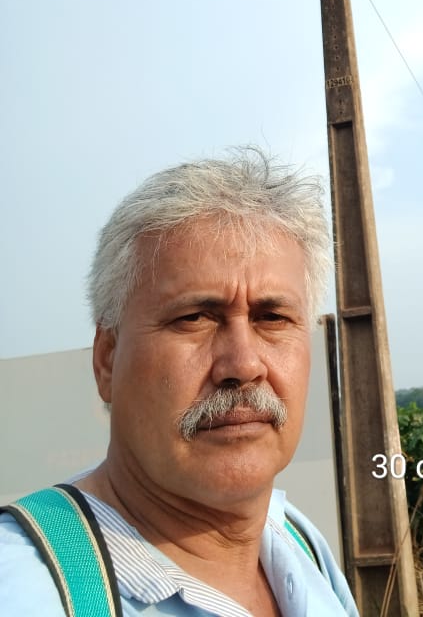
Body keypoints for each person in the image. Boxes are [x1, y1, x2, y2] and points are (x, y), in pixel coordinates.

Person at [0, 147, 359, 616]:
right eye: (195, 317)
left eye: (272, 317)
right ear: (107, 359)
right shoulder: (28, 589)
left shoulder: (295, 540)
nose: (244, 364)